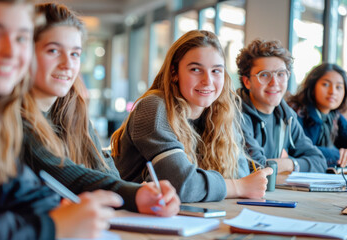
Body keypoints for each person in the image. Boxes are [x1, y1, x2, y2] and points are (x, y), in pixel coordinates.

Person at [21, 2, 180, 216]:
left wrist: (142, 192)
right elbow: (62, 171)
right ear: (25, 53)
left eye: (75, 54)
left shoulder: (73, 110)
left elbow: (108, 173)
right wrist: (134, 194)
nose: (68, 64)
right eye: (53, 51)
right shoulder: (12, 116)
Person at [0, 0, 123, 239]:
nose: (11, 51)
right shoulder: (13, 118)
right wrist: (52, 225)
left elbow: (23, 192)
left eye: (20, 38)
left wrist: (57, 211)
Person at [111, 30, 273, 203]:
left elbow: (239, 173)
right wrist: (238, 187)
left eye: (216, 71)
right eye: (196, 69)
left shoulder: (221, 111)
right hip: (134, 222)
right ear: (174, 72)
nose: (208, 81)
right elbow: (180, 184)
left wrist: (237, 183)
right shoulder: (153, 107)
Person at [236, 39, 327, 173]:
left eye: (281, 74)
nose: (275, 83)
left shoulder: (286, 115)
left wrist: (290, 163)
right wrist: (286, 164)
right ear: (247, 81)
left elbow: (319, 161)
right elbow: (256, 166)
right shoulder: (235, 114)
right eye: (264, 75)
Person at [288, 63, 347, 168]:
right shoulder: (297, 112)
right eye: (326, 84)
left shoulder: (334, 116)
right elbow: (301, 150)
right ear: (312, 86)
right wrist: (338, 154)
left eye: (339, 87)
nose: (332, 92)